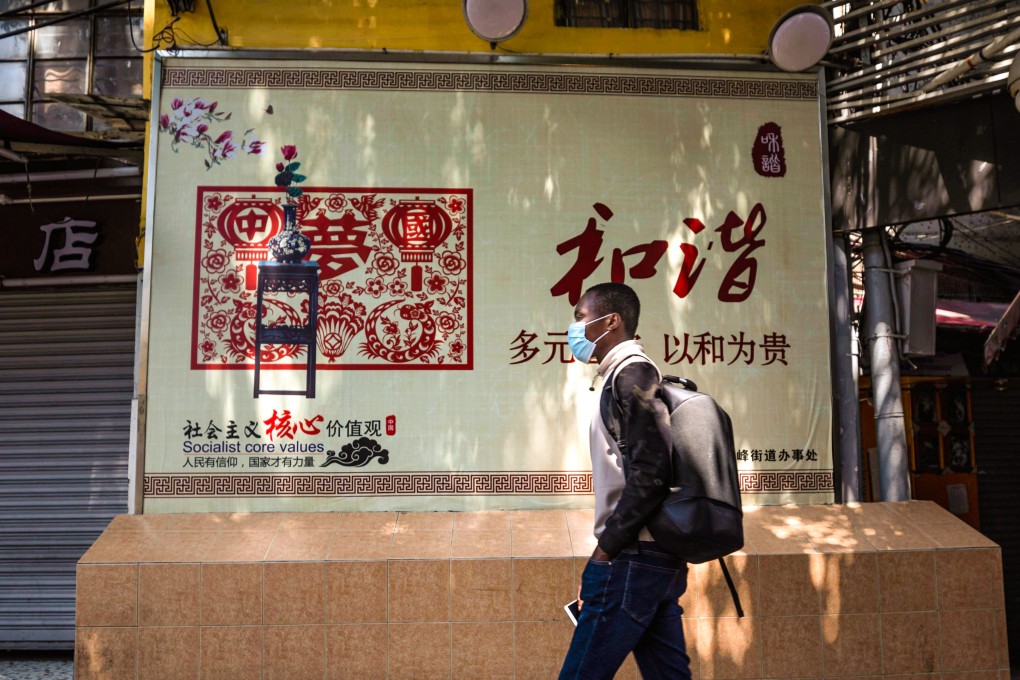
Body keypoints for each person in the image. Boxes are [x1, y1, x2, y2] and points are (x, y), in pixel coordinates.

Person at [559, 282, 691, 680]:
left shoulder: (631, 372)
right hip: (651, 559)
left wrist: (605, 554)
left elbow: (651, 475)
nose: (575, 329)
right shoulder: (625, 373)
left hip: (631, 559)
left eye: (581, 318)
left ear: (611, 321)